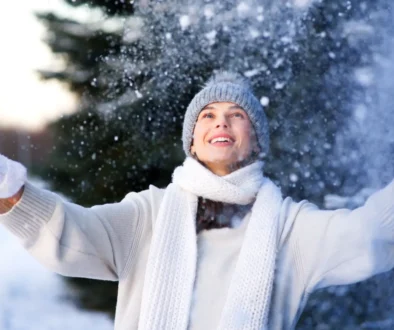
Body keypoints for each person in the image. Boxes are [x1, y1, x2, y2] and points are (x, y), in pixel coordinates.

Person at [1, 71, 394, 330]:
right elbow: (74, 234)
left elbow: (370, 235)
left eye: (236, 115)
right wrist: (10, 188)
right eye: (207, 115)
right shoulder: (147, 214)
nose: (220, 122)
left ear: (256, 141)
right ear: (192, 141)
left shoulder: (292, 229)